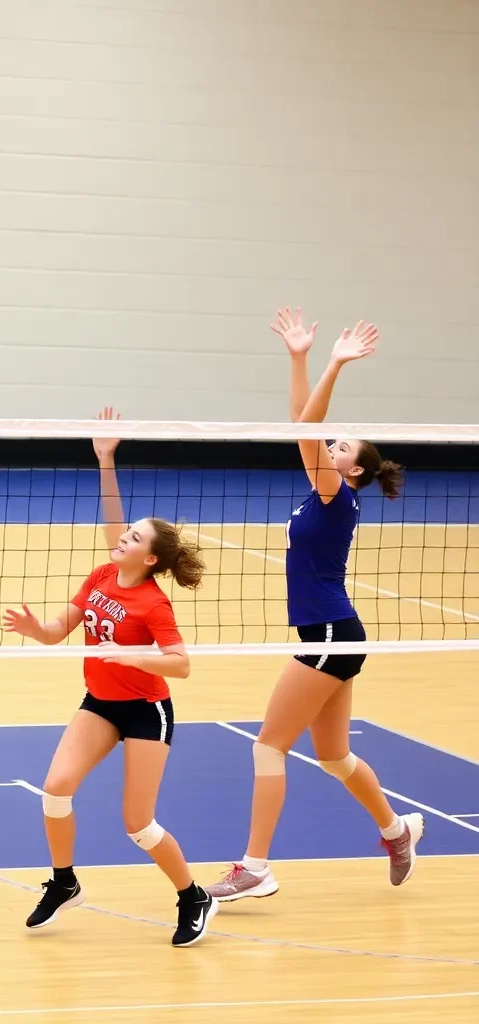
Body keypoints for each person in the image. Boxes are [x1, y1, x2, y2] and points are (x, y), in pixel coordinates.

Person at [206, 309, 418, 905]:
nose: (330, 444)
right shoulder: (324, 491)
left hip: (328, 632)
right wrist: (299, 359)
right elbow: (302, 425)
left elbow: (308, 425)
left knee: (268, 744)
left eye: (340, 446)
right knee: (333, 753)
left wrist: (332, 364)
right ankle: (396, 831)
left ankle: (254, 867)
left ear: (353, 470)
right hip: (336, 631)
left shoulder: (336, 497)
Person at [2, 408, 218, 947]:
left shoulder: (152, 603)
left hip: (146, 710)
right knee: (54, 789)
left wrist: (130, 656)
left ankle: (193, 896)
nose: (121, 537)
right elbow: (58, 632)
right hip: (99, 702)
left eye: (133, 537)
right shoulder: (102, 574)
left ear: (149, 558)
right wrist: (35, 628)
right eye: (123, 532)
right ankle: (63, 880)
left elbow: (181, 665)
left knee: (138, 825)